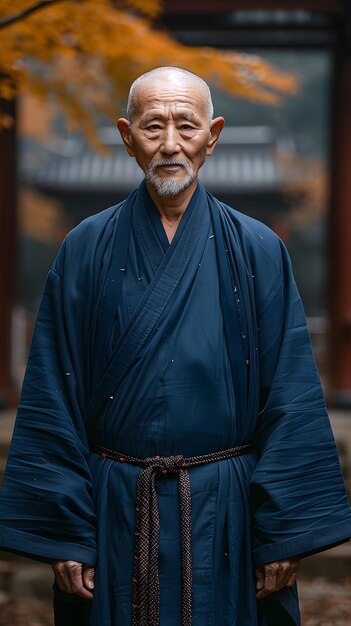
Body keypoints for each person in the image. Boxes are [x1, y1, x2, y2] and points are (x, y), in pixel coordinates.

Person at [0, 66, 350, 626]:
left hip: (224, 514)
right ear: (126, 134)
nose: (169, 144)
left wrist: (284, 531)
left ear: (212, 136)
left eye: (186, 126)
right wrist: (65, 531)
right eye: (152, 125)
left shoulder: (258, 250)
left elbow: (291, 393)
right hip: (115, 509)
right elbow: (51, 392)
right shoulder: (84, 248)